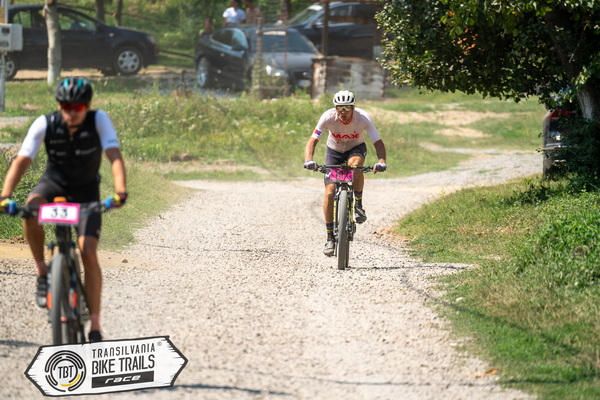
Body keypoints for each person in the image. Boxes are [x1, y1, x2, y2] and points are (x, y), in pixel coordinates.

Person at [0, 77, 127, 343]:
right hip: (53, 184)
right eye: (66, 106)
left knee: (88, 251)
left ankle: (95, 324)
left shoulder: (99, 120)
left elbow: (114, 155)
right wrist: (5, 195)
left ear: (88, 106)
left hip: (86, 191)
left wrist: (120, 191)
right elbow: (23, 159)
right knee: (30, 210)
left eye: (78, 107)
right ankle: (42, 273)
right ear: (59, 105)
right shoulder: (45, 123)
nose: (72, 112)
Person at [304, 90, 387, 256]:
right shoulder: (327, 117)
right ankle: (330, 237)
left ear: (353, 108)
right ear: (335, 108)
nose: (343, 112)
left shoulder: (363, 118)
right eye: (339, 108)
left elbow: (377, 142)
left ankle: (358, 205)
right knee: (329, 192)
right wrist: (309, 160)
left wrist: (381, 161)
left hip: (356, 149)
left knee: (354, 166)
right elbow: (312, 140)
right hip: (334, 152)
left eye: (347, 108)